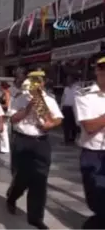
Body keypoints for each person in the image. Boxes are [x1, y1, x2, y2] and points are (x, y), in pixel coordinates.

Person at [6, 70, 63, 230]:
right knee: (22, 177)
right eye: (33, 80)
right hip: (23, 140)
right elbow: (13, 119)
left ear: (43, 82)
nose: (36, 84)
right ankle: (12, 197)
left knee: (40, 180)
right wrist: (28, 107)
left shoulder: (49, 100)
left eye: (39, 80)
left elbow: (58, 118)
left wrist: (50, 124)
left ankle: (35, 218)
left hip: (41, 142)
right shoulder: (19, 98)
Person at [74, 54, 105, 230]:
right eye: (103, 69)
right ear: (97, 71)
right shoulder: (85, 96)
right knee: (98, 203)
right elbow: (90, 127)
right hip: (94, 155)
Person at [61, 75, 80, 145]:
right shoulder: (66, 88)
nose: (68, 80)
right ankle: (66, 140)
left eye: (69, 79)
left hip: (73, 108)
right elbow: (63, 98)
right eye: (67, 79)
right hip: (66, 108)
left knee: (73, 125)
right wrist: (61, 107)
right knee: (66, 125)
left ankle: (72, 139)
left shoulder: (76, 88)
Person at [0, 81, 11, 154]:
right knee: (2, 131)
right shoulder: (4, 93)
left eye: (0, 86)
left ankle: (5, 148)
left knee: (3, 130)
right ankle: (2, 147)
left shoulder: (6, 93)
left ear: (2, 86)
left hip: (5, 113)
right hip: (3, 113)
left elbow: (7, 105)